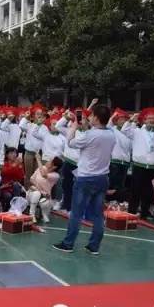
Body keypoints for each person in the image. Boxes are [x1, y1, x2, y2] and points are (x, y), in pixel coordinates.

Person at [54, 104, 115, 255]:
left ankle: (68, 243)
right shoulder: (111, 134)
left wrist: (74, 127)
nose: (90, 117)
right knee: (98, 214)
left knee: (76, 213)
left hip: (86, 178)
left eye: (92, 115)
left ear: (96, 118)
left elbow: (70, 143)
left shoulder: (90, 135)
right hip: (102, 177)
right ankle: (94, 246)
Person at [122, 108, 154, 220]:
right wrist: (131, 120)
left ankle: (144, 214)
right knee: (135, 190)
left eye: (153, 118)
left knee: (148, 191)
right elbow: (124, 130)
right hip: (139, 166)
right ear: (144, 120)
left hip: (153, 167)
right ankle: (131, 212)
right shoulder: (137, 131)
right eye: (149, 118)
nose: (151, 120)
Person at [26, 156, 63, 223]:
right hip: (33, 193)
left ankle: (44, 214)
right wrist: (39, 190)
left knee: (46, 201)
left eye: (50, 161)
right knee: (37, 193)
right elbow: (31, 179)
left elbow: (43, 175)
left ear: (54, 167)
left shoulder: (56, 176)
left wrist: (38, 160)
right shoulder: (41, 168)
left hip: (45, 197)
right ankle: (31, 215)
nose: (47, 162)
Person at [0, 147, 25, 211]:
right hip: (6, 188)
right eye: (11, 153)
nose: (14, 154)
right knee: (8, 196)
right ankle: (10, 210)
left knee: (16, 185)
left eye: (15, 153)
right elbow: (5, 172)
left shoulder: (18, 164)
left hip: (16, 188)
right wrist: (15, 164)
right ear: (7, 155)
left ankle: (15, 208)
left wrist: (20, 166)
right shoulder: (4, 163)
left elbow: (21, 177)